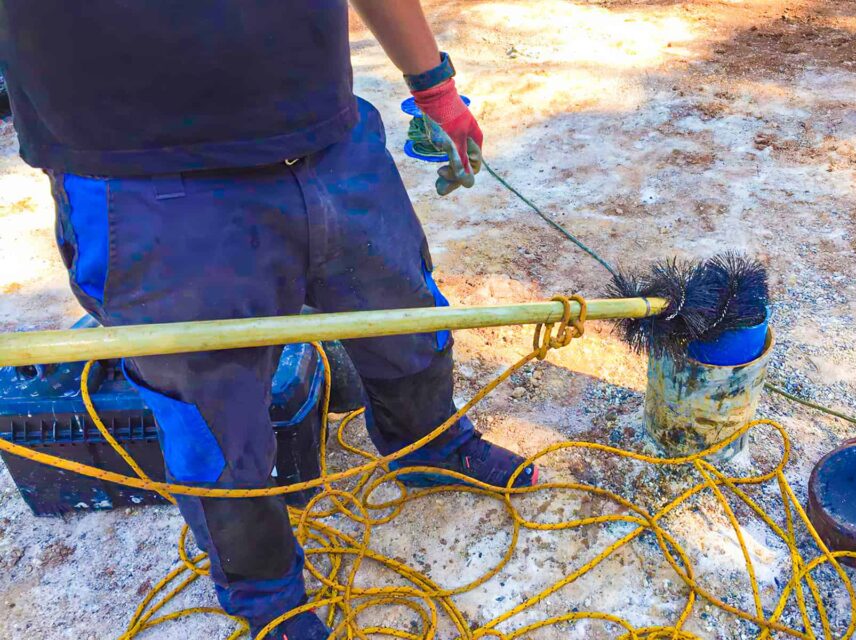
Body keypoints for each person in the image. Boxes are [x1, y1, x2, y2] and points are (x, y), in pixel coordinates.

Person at [0, 2, 537, 638]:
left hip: (331, 142)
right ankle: (266, 596)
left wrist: (435, 87)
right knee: (211, 414)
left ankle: (431, 447)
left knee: (405, 316)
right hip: (143, 182)